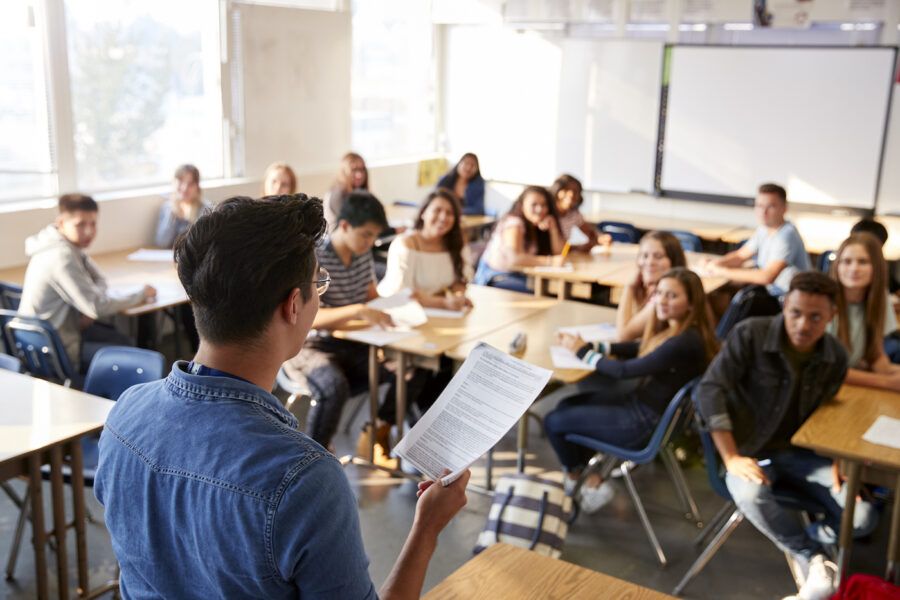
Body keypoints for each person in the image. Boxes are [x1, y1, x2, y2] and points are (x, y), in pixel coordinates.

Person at [95, 194, 470, 599]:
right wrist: (427, 529)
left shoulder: (124, 415)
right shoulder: (305, 480)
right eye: (318, 283)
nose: (320, 294)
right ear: (294, 305)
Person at [695, 271, 877, 600]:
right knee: (750, 495)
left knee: (863, 517)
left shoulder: (833, 355)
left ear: (832, 316)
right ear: (784, 305)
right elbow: (709, 391)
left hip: (800, 455)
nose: (803, 324)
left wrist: (839, 454)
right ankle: (812, 556)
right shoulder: (750, 334)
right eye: (795, 313)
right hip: (746, 450)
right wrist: (731, 456)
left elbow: (828, 409)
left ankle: (810, 538)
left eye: (815, 317)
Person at [547, 267, 718, 512]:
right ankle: (591, 478)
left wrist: (582, 351)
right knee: (566, 406)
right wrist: (594, 346)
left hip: (642, 423)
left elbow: (625, 371)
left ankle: (577, 481)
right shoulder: (682, 332)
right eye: (659, 293)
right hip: (646, 412)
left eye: (672, 296)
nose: (662, 301)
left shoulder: (684, 342)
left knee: (554, 421)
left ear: (692, 304)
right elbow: (637, 348)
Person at [282, 191, 394, 450]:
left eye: (374, 236)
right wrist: (356, 311)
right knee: (333, 386)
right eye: (366, 234)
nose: (370, 242)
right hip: (309, 345)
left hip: (352, 344)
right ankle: (314, 454)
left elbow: (371, 299)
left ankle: (376, 434)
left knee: (400, 371)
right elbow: (309, 317)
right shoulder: (317, 256)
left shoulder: (361, 254)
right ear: (344, 225)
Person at [18, 194, 155, 372]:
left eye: (93, 223)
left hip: (45, 339)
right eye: (80, 224)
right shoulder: (62, 256)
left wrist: (90, 302)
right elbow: (96, 307)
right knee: (132, 352)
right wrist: (141, 294)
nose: (89, 231)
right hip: (55, 352)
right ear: (61, 223)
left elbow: (100, 281)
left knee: (119, 338)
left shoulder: (66, 246)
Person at [706, 183, 811, 297]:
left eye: (770, 206)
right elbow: (741, 256)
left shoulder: (786, 235)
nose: (763, 212)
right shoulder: (764, 229)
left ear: (784, 208)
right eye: (759, 206)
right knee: (719, 295)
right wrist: (717, 264)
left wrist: (722, 271)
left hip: (787, 298)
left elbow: (767, 277)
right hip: (772, 292)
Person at [827, 233, 900, 390]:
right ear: (837, 265)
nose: (854, 269)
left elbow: (878, 360)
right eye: (846, 261)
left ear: (877, 267)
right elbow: (825, 370)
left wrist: (893, 374)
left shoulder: (881, 300)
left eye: (863, 262)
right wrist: (887, 382)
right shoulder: (824, 302)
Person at [473, 185, 564, 293]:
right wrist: (550, 262)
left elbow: (559, 253)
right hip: (494, 277)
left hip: (517, 275)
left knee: (549, 288)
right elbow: (515, 259)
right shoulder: (514, 223)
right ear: (522, 205)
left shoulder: (535, 225)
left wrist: (553, 229)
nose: (540, 209)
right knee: (543, 291)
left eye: (544, 205)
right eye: (534, 205)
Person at [616, 231, 687, 341]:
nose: (649, 262)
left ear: (673, 260)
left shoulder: (665, 297)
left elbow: (623, 336)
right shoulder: (652, 288)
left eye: (658, 256)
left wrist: (629, 287)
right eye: (644, 256)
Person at [155, 164, 211, 248]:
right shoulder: (167, 208)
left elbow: (201, 244)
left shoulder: (206, 209)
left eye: (190, 184)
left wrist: (192, 220)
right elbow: (162, 243)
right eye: (181, 182)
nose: (184, 188)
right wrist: (172, 214)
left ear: (197, 187)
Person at [550, 174, 609, 252]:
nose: (571, 195)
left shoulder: (574, 214)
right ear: (557, 190)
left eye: (575, 191)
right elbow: (551, 246)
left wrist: (600, 237)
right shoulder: (547, 213)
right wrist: (577, 248)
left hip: (562, 258)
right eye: (566, 189)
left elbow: (589, 230)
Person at [325, 152, 369, 227]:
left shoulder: (358, 192)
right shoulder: (338, 193)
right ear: (344, 172)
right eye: (354, 170)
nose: (359, 175)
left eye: (362, 170)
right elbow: (354, 225)